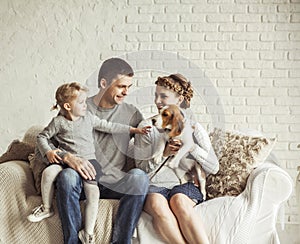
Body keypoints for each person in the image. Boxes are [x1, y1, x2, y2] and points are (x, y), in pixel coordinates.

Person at [27, 82, 150, 244]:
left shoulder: (123, 114)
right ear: (104, 83)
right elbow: (41, 141)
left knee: (138, 178)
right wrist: (61, 155)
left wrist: (135, 130)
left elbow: (110, 126)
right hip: (74, 174)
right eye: (121, 86)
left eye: (129, 86)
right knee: (66, 175)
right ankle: (66, 233)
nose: (126, 91)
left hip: (103, 176)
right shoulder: (61, 120)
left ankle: (99, 236)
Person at [134, 74, 219, 244]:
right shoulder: (146, 127)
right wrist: (164, 153)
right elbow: (141, 170)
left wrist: (191, 147)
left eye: (163, 96)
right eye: (156, 95)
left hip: (183, 185)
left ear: (179, 99)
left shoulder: (194, 128)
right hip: (154, 185)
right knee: (158, 204)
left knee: (179, 201)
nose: (158, 101)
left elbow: (214, 167)